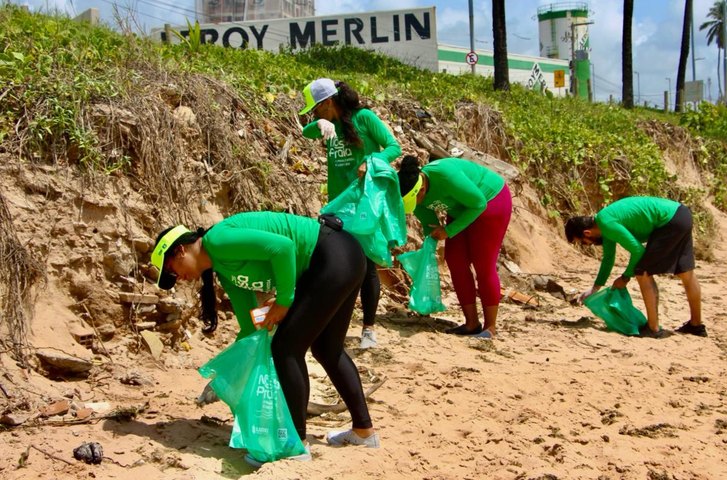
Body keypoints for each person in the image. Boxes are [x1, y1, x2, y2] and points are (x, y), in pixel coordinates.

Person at [150, 212, 381, 466]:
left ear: (180, 251)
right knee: (327, 349)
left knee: (286, 349)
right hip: (341, 259)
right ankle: (363, 431)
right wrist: (227, 375)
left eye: (171, 270)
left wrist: (283, 302)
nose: (178, 279)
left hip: (333, 255)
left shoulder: (217, 241)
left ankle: (295, 444)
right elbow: (250, 329)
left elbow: (283, 248)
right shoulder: (225, 272)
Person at [300, 78, 403, 349]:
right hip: (337, 204)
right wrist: (319, 125)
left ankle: (368, 329)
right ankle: (335, 326)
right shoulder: (327, 124)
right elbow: (307, 132)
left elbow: (394, 147)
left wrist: (371, 161)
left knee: (366, 265)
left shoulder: (364, 118)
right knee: (339, 263)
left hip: (363, 203)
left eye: (316, 109)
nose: (314, 113)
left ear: (327, 102)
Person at [397, 155, 512, 339]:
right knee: (455, 260)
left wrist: (448, 230)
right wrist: (430, 242)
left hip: (490, 202)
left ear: (421, 189)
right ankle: (471, 323)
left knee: (483, 264)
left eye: (415, 201)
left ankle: (490, 327)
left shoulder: (445, 175)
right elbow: (429, 223)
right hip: (460, 209)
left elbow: (478, 204)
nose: (416, 205)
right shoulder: (412, 191)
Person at [564, 196, 706, 338]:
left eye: (583, 242)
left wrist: (625, 278)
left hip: (668, 221)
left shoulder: (607, 224)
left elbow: (638, 251)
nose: (587, 245)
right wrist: (595, 288)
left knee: (642, 272)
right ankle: (696, 326)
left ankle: (653, 329)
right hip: (681, 214)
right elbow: (608, 259)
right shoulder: (603, 223)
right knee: (686, 272)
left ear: (587, 233)